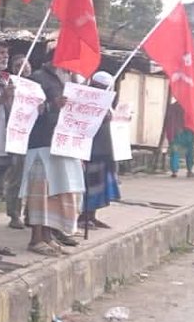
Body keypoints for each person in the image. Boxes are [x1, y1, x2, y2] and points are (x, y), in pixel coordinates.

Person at [21, 62, 84, 256]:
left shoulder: (66, 80)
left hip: (61, 145)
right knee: (40, 194)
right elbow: (27, 108)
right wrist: (51, 105)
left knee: (55, 195)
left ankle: (48, 237)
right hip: (41, 144)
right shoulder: (38, 78)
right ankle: (36, 238)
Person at [79, 72, 121, 230]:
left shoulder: (107, 102)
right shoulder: (86, 101)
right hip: (91, 150)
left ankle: (92, 216)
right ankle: (83, 216)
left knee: (100, 186)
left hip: (105, 149)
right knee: (89, 185)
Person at [3, 53, 32, 229]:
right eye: (19, 64)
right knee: (16, 178)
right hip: (16, 138)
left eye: (26, 64)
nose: (24, 67)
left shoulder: (35, 86)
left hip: (33, 138)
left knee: (33, 179)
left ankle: (31, 214)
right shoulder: (10, 86)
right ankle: (14, 214)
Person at [163, 99, 194, 178]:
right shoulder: (190, 107)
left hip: (176, 132)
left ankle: (174, 172)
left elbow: (169, 121)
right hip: (188, 132)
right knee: (190, 152)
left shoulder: (172, 107)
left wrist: (170, 135)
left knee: (175, 152)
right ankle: (189, 170)